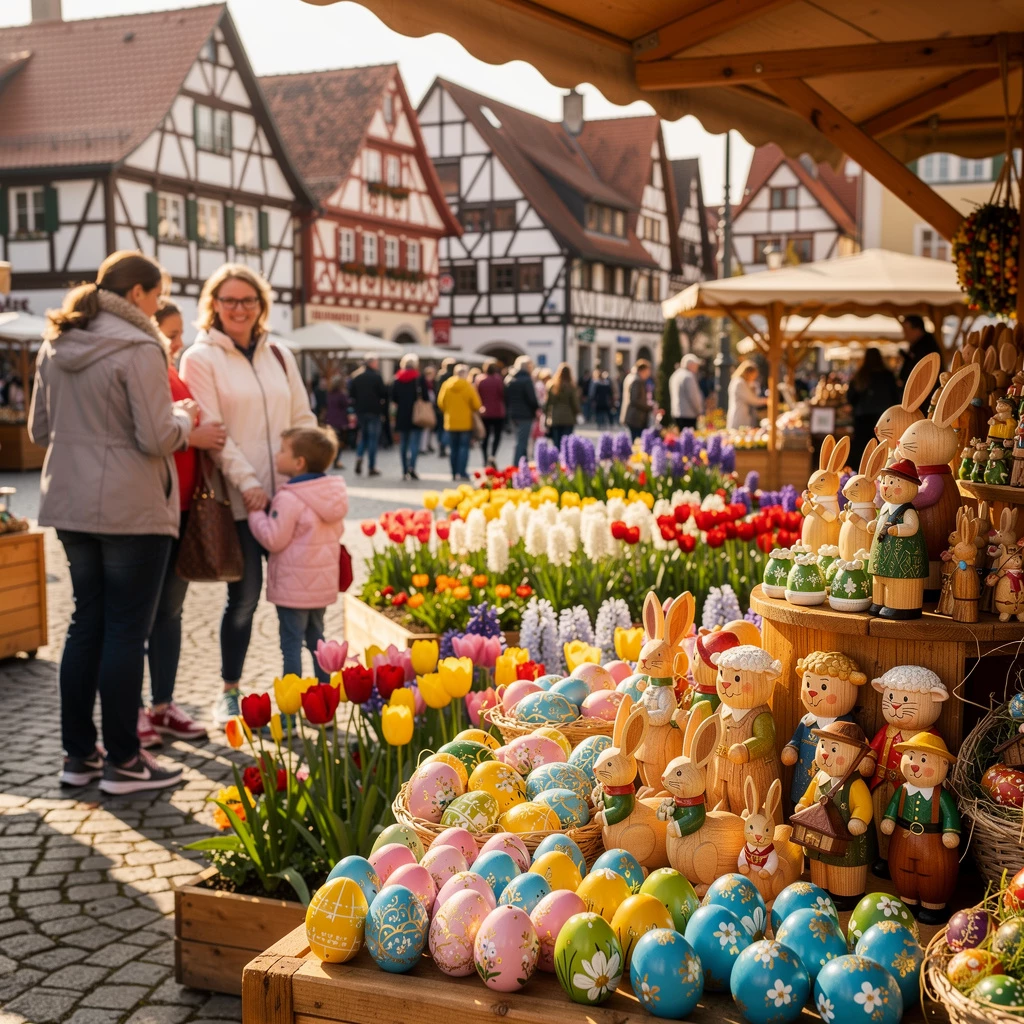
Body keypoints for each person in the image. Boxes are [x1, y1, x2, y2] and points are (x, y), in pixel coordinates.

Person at [30, 251, 196, 794]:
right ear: (140, 295)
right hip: (132, 507)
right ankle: (124, 759)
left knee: (86, 625)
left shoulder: (56, 341)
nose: (157, 306)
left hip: (71, 503)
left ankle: (78, 756)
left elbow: (38, 429)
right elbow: (156, 436)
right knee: (126, 631)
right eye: (156, 296)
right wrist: (185, 418)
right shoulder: (140, 344)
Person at [180, 264, 316, 727]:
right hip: (238, 500)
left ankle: (298, 690)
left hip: (291, 499)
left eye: (248, 300)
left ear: (261, 305)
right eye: (229, 300)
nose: (239, 308)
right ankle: (230, 688)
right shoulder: (199, 358)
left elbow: (303, 418)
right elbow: (214, 433)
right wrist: (249, 484)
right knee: (245, 597)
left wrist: (311, 475)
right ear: (213, 305)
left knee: (299, 597)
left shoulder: (279, 354)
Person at [139, 301, 226, 750]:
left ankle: (162, 703)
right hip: (153, 506)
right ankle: (135, 709)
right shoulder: (145, 368)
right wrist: (191, 433)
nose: (177, 342)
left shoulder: (172, 369)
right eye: (170, 332)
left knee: (170, 614)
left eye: (178, 333)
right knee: (139, 616)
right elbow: (148, 434)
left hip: (185, 510)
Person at [248, 427, 347, 682]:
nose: (277, 455)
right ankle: (323, 700)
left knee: (291, 646)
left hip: (293, 591)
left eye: (283, 451)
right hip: (321, 587)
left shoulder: (289, 498)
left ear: (299, 462)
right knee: (318, 641)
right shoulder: (331, 494)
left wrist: (256, 514)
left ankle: (292, 707)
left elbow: (273, 539)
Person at [847, 347, 900, 468]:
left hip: (862, 418)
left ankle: (860, 473)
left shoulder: (860, 375)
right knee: (882, 449)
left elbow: (850, 397)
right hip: (884, 417)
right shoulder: (888, 376)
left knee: (862, 450)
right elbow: (896, 397)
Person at [437, 363, 482, 481]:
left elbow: (441, 403)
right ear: (465, 374)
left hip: (450, 421)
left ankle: (453, 472)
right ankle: (462, 472)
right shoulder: (468, 386)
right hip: (465, 422)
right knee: (463, 447)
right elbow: (477, 404)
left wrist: (449, 410)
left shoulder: (446, 385)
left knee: (453, 448)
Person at [390, 352, 429, 481]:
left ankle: (404, 469)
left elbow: (393, 398)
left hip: (402, 414)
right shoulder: (419, 379)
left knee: (403, 444)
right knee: (414, 444)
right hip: (416, 415)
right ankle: (412, 467)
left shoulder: (397, 379)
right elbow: (426, 397)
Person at [347, 354, 386, 477]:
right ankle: (371, 466)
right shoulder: (376, 376)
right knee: (373, 439)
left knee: (363, 437)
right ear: (372, 363)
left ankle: (359, 457)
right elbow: (384, 394)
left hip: (361, 411)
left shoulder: (356, 376)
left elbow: (351, 395)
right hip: (374, 411)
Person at [505, 355, 538, 465]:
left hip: (513, 414)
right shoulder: (527, 380)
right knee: (522, 442)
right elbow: (532, 399)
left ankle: (524, 463)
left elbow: (506, 398)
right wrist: (537, 408)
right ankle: (517, 465)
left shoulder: (509, 379)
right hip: (525, 414)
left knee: (519, 440)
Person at [476, 361, 506, 468]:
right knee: (497, 436)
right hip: (498, 412)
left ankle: (485, 457)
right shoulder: (498, 380)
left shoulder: (480, 380)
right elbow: (502, 394)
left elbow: (477, 395)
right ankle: (492, 455)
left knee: (485, 436)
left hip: (485, 412)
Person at [898, 314, 943, 389]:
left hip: (925, 392)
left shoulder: (926, 346)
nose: (904, 334)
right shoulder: (919, 345)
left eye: (906, 330)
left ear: (917, 329)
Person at [545, 362, 580, 447]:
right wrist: (577, 412)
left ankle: (557, 459)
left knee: (557, 442)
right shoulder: (571, 386)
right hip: (568, 417)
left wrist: (546, 416)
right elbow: (574, 403)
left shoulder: (552, 385)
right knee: (567, 443)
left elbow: (548, 403)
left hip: (555, 417)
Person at [727, 360, 768, 429]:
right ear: (748, 373)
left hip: (742, 416)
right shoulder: (739, 383)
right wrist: (766, 401)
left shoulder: (741, 382)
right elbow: (753, 400)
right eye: (753, 376)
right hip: (739, 417)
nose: (754, 379)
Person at [620, 359, 653, 440]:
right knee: (636, 442)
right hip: (635, 418)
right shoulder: (637, 380)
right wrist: (649, 407)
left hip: (633, 417)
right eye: (648, 371)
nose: (649, 373)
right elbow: (635, 400)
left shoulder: (632, 377)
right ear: (643, 370)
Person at [670, 354, 704, 429]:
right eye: (696, 365)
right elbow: (693, 396)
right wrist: (699, 411)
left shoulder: (675, 375)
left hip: (677, 412)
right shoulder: (688, 376)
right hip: (689, 414)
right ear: (690, 365)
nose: (697, 368)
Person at [323, 376, 349, 470]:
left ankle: (333, 460)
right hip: (339, 421)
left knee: (332, 440)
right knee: (339, 441)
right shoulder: (341, 394)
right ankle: (336, 460)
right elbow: (346, 404)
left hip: (330, 419)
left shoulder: (329, 394)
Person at [435, 357, 456, 457]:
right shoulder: (451, 378)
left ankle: (441, 444)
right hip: (450, 407)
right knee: (447, 428)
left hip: (440, 405)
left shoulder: (439, 376)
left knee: (440, 428)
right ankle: (443, 444)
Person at [420, 365, 437, 453]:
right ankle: (423, 447)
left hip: (430, 408)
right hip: (426, 408)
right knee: (425, 428)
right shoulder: (425, 384)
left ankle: (427, 445)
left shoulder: (431, 383)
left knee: (429, 428)